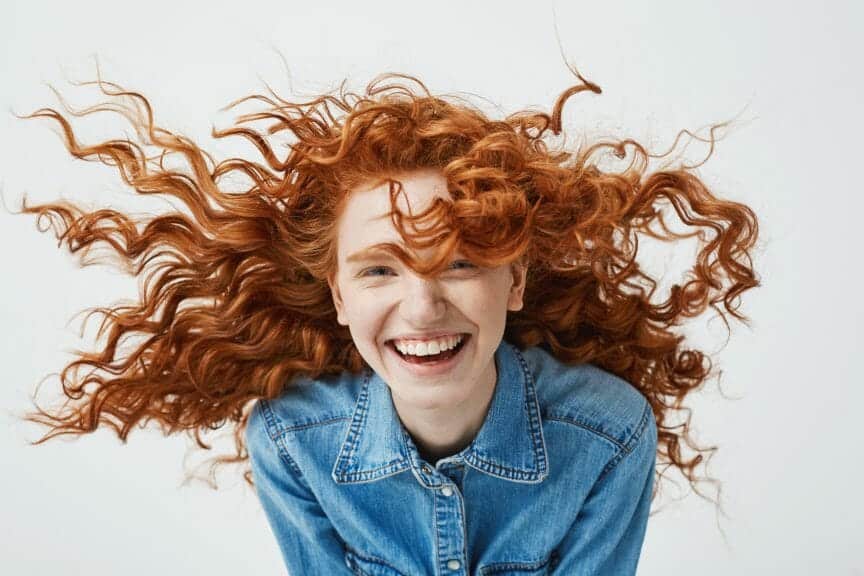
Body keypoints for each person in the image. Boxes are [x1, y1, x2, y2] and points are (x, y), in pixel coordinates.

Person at [12, 68, 760, 575]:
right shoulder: (289, 439)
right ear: (338, 296)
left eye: (461, 263)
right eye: (379, 269)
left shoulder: (609, 432)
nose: (423, 306)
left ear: (517, 279)